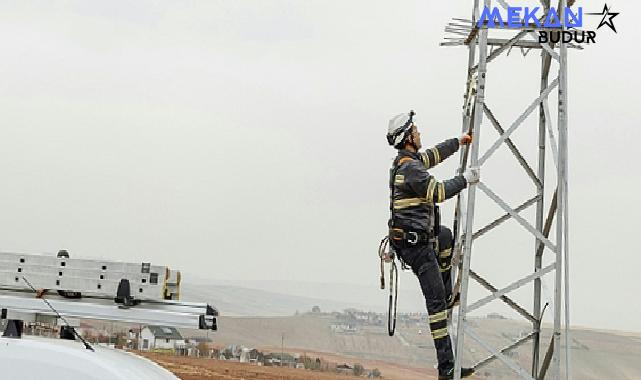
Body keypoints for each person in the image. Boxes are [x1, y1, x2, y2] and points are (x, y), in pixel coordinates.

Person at [386, 110, 478, 380]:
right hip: (417, 248)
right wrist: (466, 179)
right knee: (436, 307)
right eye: (415, 130)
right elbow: (437, 192)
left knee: (446, 236)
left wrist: (459, 141)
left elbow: (433, 155)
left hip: (420, 240)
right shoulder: (411, 169)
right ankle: (446, 369)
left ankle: (448, 294)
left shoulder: (408, 162)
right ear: (408, 137)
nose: (419, 132)